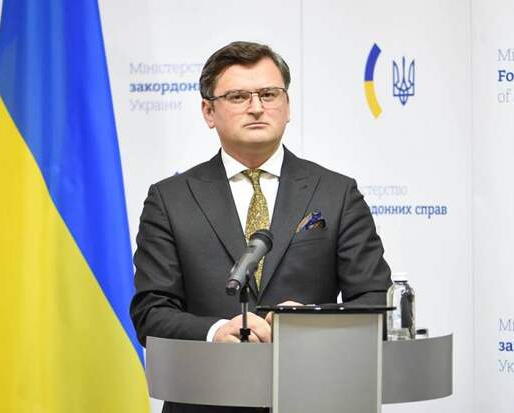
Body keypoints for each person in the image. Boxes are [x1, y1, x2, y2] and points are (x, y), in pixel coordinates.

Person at [130, 41, 392, 413]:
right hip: (207, 400)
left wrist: (307, 323)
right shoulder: (170, 199)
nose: (256, 107)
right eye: (238, 96)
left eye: (269, 94)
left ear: (287, 105)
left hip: (313, 398)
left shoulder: (336, 193)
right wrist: (215, 331)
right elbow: (152, 312)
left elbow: (374, 300)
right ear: (208, 111)